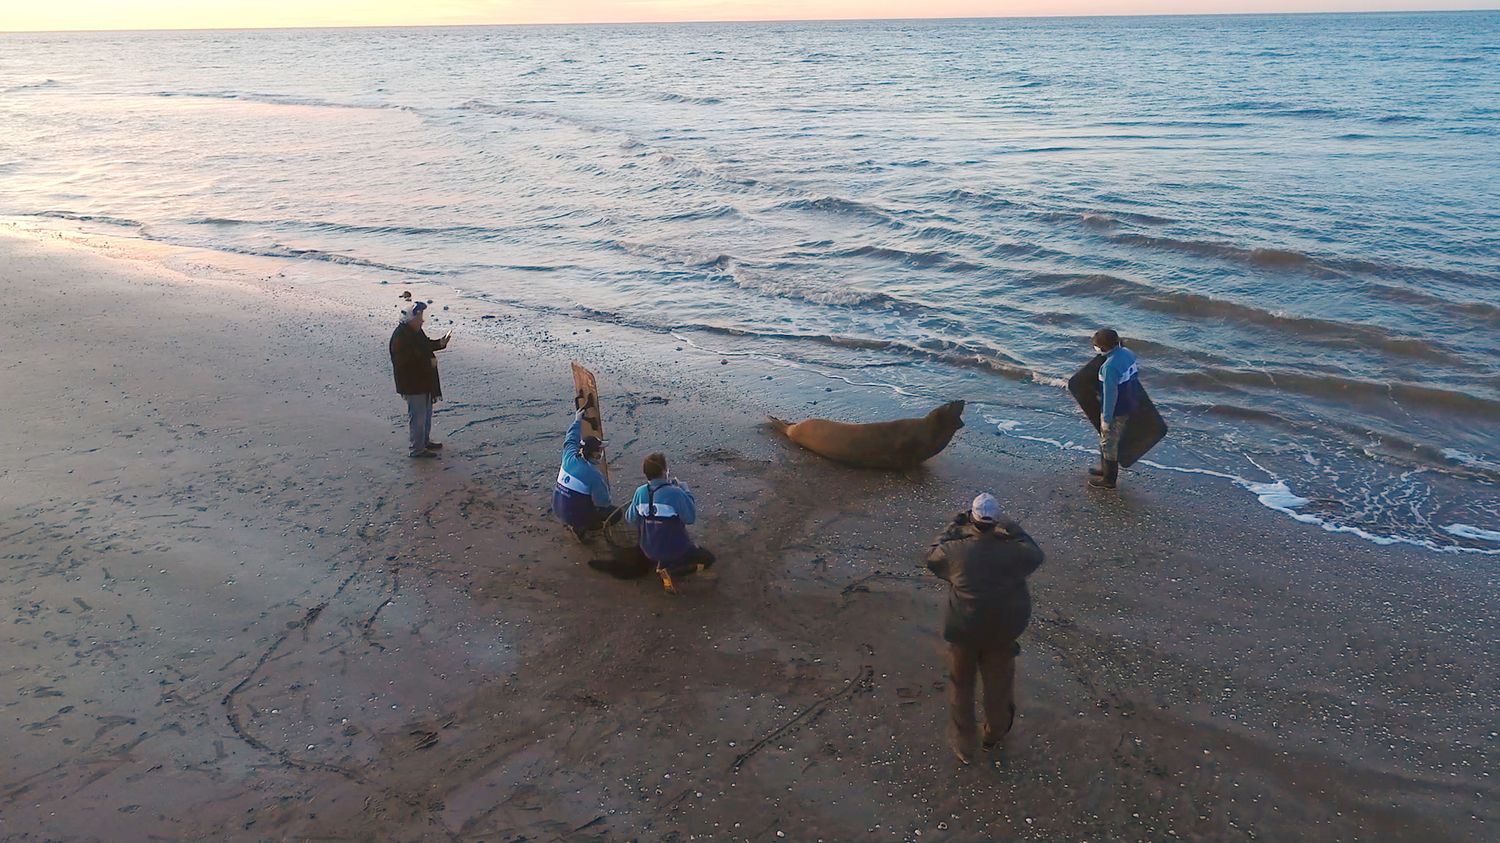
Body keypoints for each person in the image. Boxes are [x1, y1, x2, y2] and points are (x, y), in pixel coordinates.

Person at [925, 493, 1045, 765]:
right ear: (995, 522)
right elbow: (1036, 554)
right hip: (1001, 633)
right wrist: (1012, 527)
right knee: (998, 688)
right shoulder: (1014, 552)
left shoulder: (956, 551)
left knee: (961, 687)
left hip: (963, 631)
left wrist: (955, 523)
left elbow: (932, 555)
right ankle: (993, 736)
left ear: (973, 519)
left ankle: (965, 745)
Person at [625, 453, 714, 594]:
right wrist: (686, 491)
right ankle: (671, 570)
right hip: (674, 549)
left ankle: (661, 562)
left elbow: (630, 518)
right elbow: (690, 518)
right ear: (663, 472)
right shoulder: (676, 493)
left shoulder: (640, 492)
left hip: (647, 548)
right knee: (708, 559)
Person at [388, 300, 450, 459]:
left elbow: (426, 345)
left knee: (426, 413)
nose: (422, 320)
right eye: (419, 317)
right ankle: (416, 449)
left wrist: (440, 343)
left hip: (423, 382)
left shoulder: (413, 332)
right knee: (418, 417)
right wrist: (426, 362)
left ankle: (424, 441)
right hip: (413, 384)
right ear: (410, 319)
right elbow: (403, 363)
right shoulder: (400, 337)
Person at [553, 407, 617, 539]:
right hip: (573, 516)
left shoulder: (569, 456)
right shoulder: (594, 475)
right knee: (616, 513)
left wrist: (577, 420)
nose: (601, 453)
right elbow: (603, 502)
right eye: (599, 450)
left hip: (557, 509)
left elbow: (570, 438)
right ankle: (583, 527)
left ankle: (574, 519)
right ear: (594, 453)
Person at [1089, 328, 1141, 490]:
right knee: (1107, 441)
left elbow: (1110, 394)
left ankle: (1109, 480)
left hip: (1117, 409)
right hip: (1130, 401)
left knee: (1108, 443)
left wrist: (1107, 418)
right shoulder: (1128, 353)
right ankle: (1104, 469)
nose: (1095, 348)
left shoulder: (1109, 367)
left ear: (1103, 348)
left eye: (1096, 346)